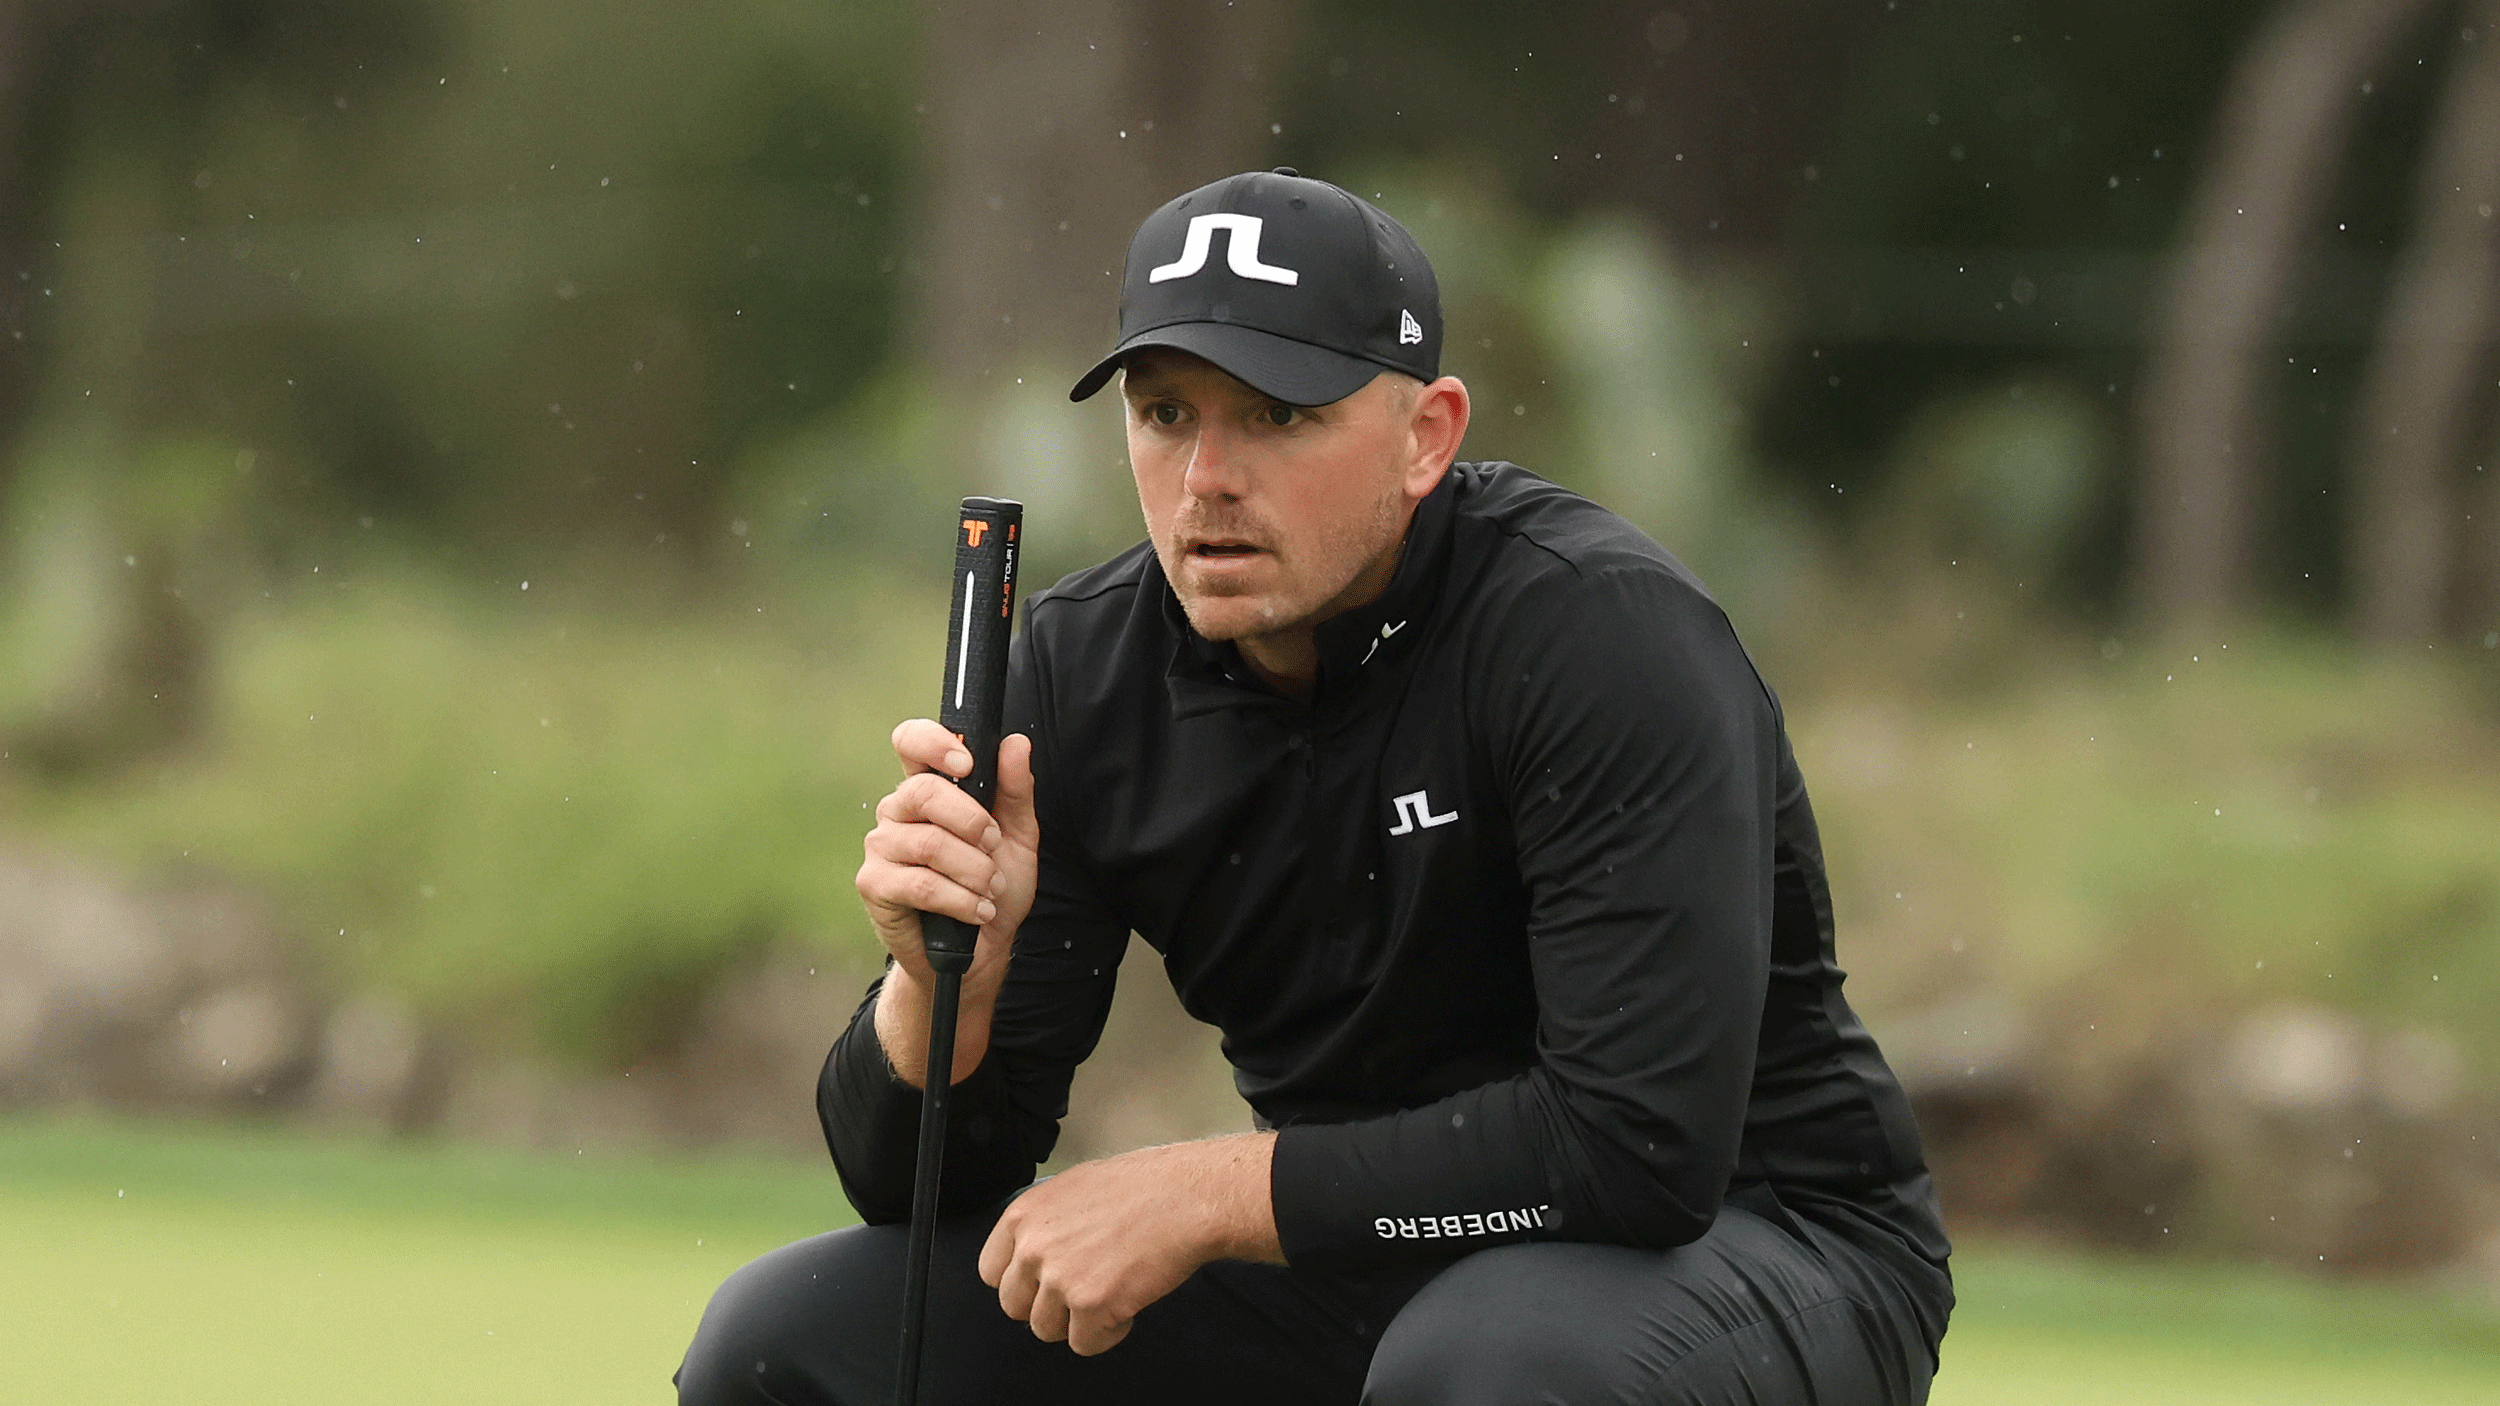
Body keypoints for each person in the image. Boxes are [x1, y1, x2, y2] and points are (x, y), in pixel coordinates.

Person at [677, 167, 1952, 1406]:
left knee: (1488, 1366)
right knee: (787, 1345)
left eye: (1276, 415)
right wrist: (937, 986)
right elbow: (919, 1196)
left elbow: (1638, 1153)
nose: (1206, 479)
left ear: (1425, 435)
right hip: (1353, 1263)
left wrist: (1202, 1194)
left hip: (1757, 1248)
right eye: (1166, 412)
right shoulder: (1077, 672)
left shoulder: (1599, 635)